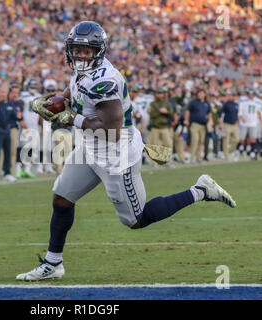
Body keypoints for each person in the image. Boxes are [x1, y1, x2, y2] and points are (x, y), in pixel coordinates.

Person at [16, 21, 236, 281]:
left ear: (99, 51)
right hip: (89, 148)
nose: (80, 55)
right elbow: (73, 92)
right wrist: (54, 100)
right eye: (77, 49)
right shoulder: (80, 70)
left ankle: (200, 191)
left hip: (115, 155)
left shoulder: (106, 81)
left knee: (137, 220)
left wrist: (70, 119)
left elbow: (111, 129)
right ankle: (53, 263)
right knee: (62, 198)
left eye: (87, 51)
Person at [0, 86, 18, 183]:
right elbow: (2, 118)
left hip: (7, 131)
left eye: (4, 92)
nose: (2, 94)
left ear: (7, 94)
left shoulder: (9, 104)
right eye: (1, 92)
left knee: (8, 153)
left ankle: (7, 173)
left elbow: (14, 117)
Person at [185, 88, 212, 163]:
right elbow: (188, 111)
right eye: (199, 93)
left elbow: (209, 113)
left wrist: (210, 122)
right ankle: (192, 157)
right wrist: (186, 120)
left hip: (203, 125)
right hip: (195, 124)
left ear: (205, 94)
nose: (200, 94)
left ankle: (198, 157)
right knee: (195, 140)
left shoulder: (207, 103)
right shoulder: (194, 102)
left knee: (201, 141)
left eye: (202, 93)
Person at [237, 88, 262, 160]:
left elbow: (259, 113)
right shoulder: (243, 102)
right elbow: (240, 112)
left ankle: (252, 152)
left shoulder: (258, 102)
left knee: (253, 139)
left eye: (252, 94)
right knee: (242, 138)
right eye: (249, 94)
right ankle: (240, 149)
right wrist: (241, 118)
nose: (251, 95)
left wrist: (261, 122)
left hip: (253, 122)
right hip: (244, 123)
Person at [219, 91, 239, 161]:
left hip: (234, 125)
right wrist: (220, 123)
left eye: (235, 96)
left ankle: (229, 152)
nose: (234, 97)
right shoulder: (226, 104)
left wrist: (237, 121)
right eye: (232, 95)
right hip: (226, 124)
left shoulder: (236, 104)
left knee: (236, 140)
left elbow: (236, 114)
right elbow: (220, 113)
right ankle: (226, 156)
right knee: (226, 140)